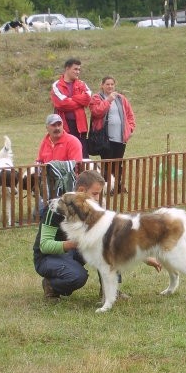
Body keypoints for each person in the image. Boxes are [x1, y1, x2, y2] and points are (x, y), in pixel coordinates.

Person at [34, 170, 161, 300]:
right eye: (95, 194)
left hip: (73, 252)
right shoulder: (56, 208)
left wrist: (145, 257)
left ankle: (109, 291)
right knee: (77, 277)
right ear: (82, 190)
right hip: (48, 257)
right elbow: (44, 245)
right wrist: (76, 243)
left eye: (99, 194)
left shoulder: (91, 210)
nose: (97, 198)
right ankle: (51, 285)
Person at [89, 76, 135, 193]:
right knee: (107, 163)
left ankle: (118, 186)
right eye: (107, 84)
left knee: (118, 162)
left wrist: (130, 129)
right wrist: (108, 100)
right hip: (105, 138)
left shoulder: (121, 99)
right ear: (102, 85)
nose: (110, 86)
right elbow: (97, 112)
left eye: (112, 84)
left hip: (120, 137)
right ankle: (108, 187)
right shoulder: (96, 98)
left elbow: (130, 115)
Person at [51, 58, 92, 157]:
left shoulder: (82, 84)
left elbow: (87, 98)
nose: (78, 72)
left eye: (79, 69)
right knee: (66, 155)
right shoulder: (57, 85)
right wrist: (79, 101)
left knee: (83, 156)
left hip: (80, 127)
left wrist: (72, 98)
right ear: (67, 68)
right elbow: (62, 104)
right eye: (75, 69)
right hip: (64, 127)